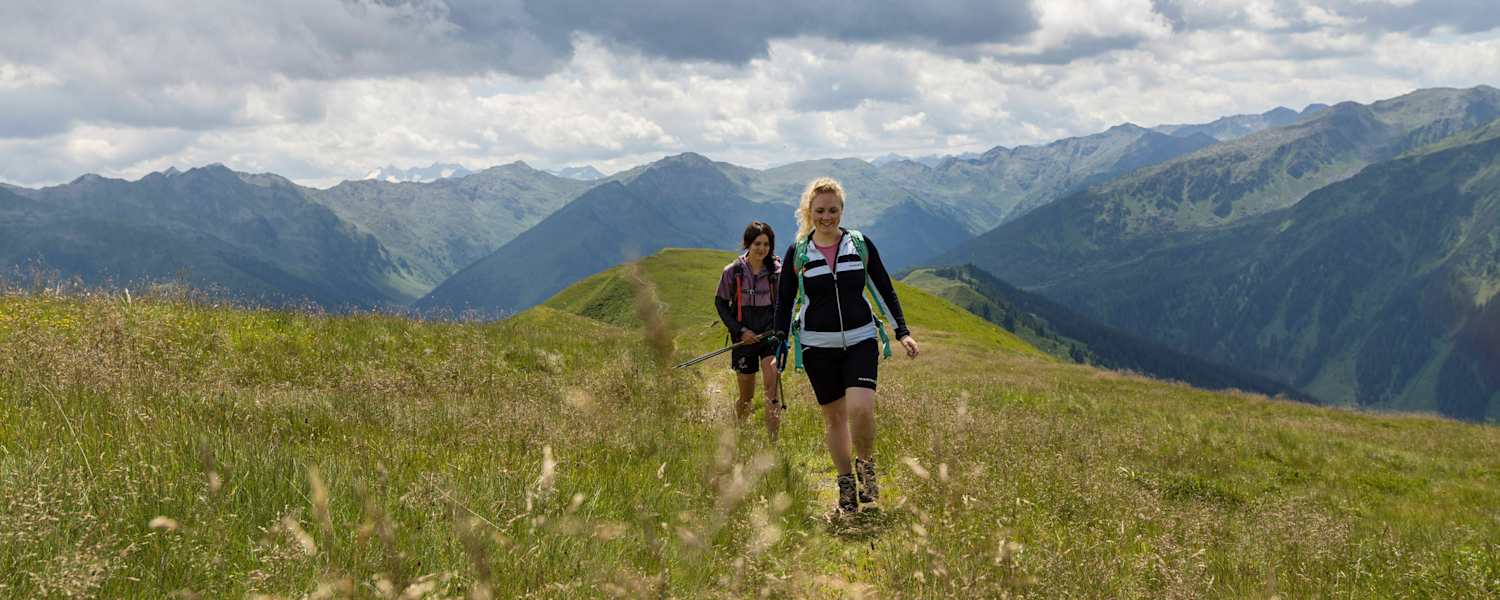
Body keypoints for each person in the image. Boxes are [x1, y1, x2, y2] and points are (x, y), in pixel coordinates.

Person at [774, 177, 919, 514]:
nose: (827, 217)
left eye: (833, 210)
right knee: (835, 417)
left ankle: (866, 468)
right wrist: (780, 341)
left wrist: (902, 332)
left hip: (860, 339)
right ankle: (845, 485)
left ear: (842, 210)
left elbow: (883, 287)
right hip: (816, 345)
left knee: (861, 409)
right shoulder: (799, 252)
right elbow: (785, 301)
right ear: (809, 212)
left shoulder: (859, 244)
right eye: (820, 211)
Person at [714, 221, 783, 441]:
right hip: (743, 340)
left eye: (766, 244)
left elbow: (785, 303)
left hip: (769, 337)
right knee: (746, 397)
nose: (762, 249)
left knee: (772, 389)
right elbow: (720, 303)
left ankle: (773, 443)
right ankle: (742, 436)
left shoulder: (777, 272)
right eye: (757, 244)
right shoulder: (732, 272)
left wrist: (778, 329)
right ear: (748, 244)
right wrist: (741, 330)